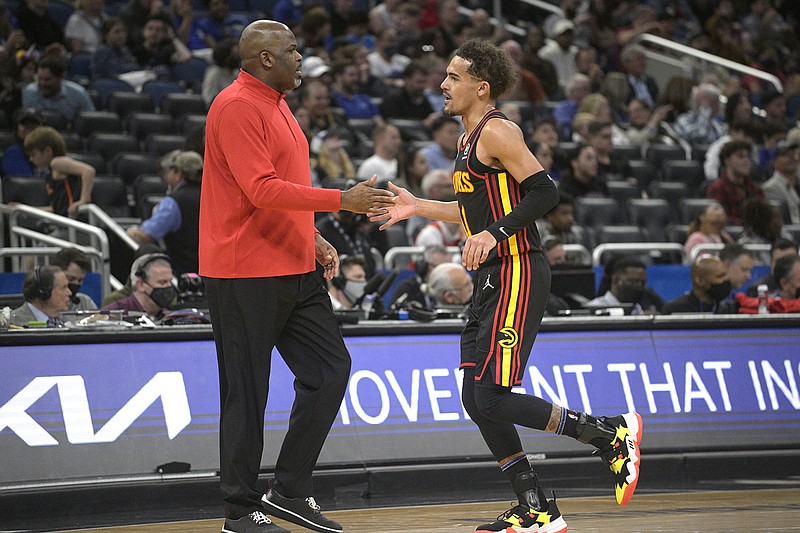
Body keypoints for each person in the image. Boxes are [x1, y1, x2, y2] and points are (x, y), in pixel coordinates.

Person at [371, 38, 641, 533]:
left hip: (517, 269)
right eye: (445, 75)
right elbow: (474, 212)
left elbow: (545, 191)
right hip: (492, 277)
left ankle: (607, 433)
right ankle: (535, 504)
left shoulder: (498, 131)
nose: (442, 84)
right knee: (475, 398)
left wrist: (494, 235)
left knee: (491, 395)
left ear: (482, 87)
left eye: (453, 77)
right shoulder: (466, 140)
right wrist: (418, 207)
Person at [198, 20, 394, 533]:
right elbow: (261, 189)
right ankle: (239, 509)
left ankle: (288, 488)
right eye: (292, 51)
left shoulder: (278, 101)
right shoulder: (237, 105)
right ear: (264, 58)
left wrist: (312, 237)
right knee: (248, 391)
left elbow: (283, 187)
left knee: (329, 372)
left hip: (293, 263)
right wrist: (341, 201)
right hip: (243, 272)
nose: (301, 57)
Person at [126, 151, 203, 275]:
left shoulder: (173, 202)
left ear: (178, 173)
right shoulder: (211, 197)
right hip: (209, 274)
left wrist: (132, 232)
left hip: (182, 275)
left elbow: (147, 235)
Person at [23, 125, 95, 218]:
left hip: (73, 224)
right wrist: (26, 209)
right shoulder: (51, 173)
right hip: (64, 223)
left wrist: (84, 200)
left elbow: (88, 171)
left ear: (48, 151)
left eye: (33, 155)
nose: (31, 159)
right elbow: (57, 209)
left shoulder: (56, 162)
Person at [706, 140, 765, 225]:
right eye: (740, 157)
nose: (746, 161)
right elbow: (721, 220)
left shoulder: (755, 189)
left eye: (748, 157)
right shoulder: (717, 189)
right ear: (727, 160)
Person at [22, 55, 96, 122]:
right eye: (40, 79)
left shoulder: (79, 94)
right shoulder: (29, 93)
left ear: (60, 78)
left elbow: (91, 121)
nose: (42, 83)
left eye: (47, 79)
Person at [101, 252, 175, 318]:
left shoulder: (170, 316)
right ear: (141, 285)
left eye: (170, 282)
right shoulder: (112, 316)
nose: (169, 286)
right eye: (162, 282)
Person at [585, 256, 658, 315]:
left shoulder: (639, 310)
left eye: (642, 282)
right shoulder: (594, 308)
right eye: (633, 281)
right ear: (615, 280)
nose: (639, 286)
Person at [389, 244, 453, 311]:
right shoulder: (408, 288)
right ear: (424, 267)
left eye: (448, 269)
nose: (445, 274)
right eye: (439, 268)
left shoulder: (454, 290)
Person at [662, 254, 731, 314]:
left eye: (725, 275)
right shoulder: (675, 310)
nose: (726, 279)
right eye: (720, 276)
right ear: (699, 280)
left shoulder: (728, 309)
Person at [761, 141, 800, 224]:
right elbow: (786, 221)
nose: (791, 157)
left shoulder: (797, 181)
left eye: (793, 153)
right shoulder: (771, 187)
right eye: (785, 155)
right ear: (774, 161)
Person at [52, 247, 98, 312]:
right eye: (71, 279)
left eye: (80, 280)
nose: (76, 284)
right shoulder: (44, 306)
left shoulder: (85, 303)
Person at [1, 107, 43, 177]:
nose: (29, 126)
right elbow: (27, 182)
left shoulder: (48, 150)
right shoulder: (13, 152)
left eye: (34, 123)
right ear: (17, 128)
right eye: (24, 123)